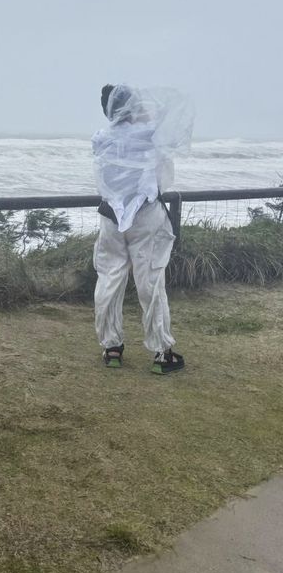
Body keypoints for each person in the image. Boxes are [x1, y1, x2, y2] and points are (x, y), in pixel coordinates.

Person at [92, 84, 194, 374]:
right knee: (150, 280)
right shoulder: (151, 135)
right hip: (146, 216)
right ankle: (162, 353)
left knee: (109, 278)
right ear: (132, 107)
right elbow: (169, 144)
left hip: (111, 217)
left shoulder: (100, 139)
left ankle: (111, 347)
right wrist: (146, 114)